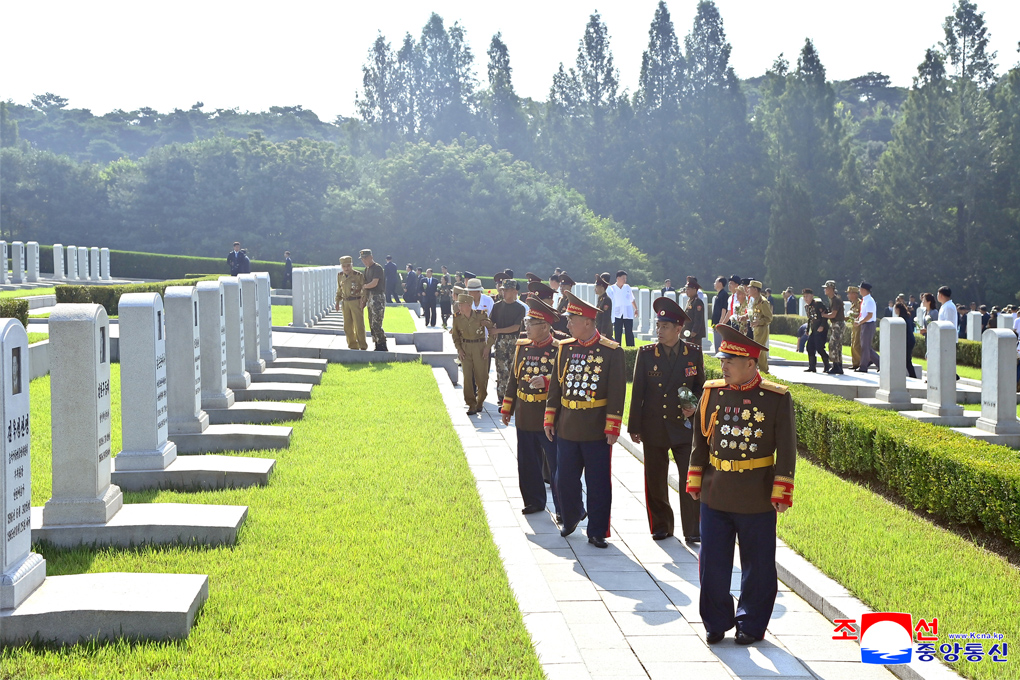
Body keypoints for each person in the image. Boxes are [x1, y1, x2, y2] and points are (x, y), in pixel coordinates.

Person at [686, 323, 796, 646]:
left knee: (758, 565)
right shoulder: (711, 392)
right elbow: (700, 441)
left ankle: (751, 622)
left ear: (751, 363)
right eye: (722, 360)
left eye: (730, 361)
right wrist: (695, 478)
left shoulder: (776, 398)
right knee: (712, 563)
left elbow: (787, 449)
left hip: (756, 494)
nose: (723, 366)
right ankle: (716, 620)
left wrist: (782, 491)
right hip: (716, 491)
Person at [544, 292, 626, 548]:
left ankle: (597, 530)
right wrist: (550, 418)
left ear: (588, 322)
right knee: (564, 478)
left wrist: (613, 426)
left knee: (598, 482)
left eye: (572, 320)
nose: (567, 324)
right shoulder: (565, 348)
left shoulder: (611, 351)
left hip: (595, 427)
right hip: (567, 424)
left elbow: (617, 392)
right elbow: (556, 386)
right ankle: (571, 517)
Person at [628, 297, 704, 542]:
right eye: (658, 326)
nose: (659, 331)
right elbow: (638, 392)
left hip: (684, 426)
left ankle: (693, 529)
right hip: (655, 425)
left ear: (678, 329)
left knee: (690, 478)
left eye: (665, 327)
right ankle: (662, 525)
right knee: (656, 479)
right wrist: (634, 426)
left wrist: (694, 404)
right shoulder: (647, 354)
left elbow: (701, 386)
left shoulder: (693, 353)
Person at [501, 297, 563, 519]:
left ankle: (562, 508)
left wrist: (546, 381)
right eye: (526, 322)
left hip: (548, 416)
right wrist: (507, 408)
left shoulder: (559, 349)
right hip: (525, 413)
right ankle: (533, 501)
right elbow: (514, 378)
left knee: (556, 465)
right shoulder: (522, 346)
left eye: (530, 323)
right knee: (528, 462)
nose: (526, 326)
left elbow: (565, 380)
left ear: (544, 326)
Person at [451, 294, 494, 416]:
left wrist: (488, 347)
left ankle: (480, 400)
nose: (459, 307)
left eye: (461, 305)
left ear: (469, 305)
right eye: (459, 305)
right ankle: (471, 404)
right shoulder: (457, 318)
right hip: (465, 349)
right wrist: (459, 349)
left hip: (480, 348)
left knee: (482, 378)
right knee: (467, 378)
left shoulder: (481, 315)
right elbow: (455, 336)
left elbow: (492, 331)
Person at [490, 278, 526, 404]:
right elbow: (491, 322)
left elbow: (516, 327)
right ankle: (501, 397)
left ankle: (512, 396)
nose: (504, 293)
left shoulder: (520, 308)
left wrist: (497, 330)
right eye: (503, 290)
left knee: (513, 370)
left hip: (514, 341)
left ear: (514, 291)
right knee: (501, 369)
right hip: (500, 342)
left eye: (507, 290)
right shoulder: (497, 306)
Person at [335, 256, 367, 350]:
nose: (346, 268)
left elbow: (364, 289)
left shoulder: (358, 275)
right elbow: (339, 289)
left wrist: (363, 300)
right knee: (347, 326)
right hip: (345, 302)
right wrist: (337, 301)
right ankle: (352, 346)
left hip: (356, 301)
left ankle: (362, 345)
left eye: (348, 266)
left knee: (359, 325)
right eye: (344, 266)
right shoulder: (340, 275)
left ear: (352, 265)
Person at [360, 249, 387, 351]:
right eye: (362, 259)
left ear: (371, 257)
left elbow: (374, 283)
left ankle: (382, 344)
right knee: (371, 322)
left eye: (366, 258)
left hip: (377, 297)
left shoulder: (377, 268)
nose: (364, 261)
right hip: (370, 297)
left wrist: (364, 286)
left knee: (377, 323)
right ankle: (377, 344)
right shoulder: (366, 270)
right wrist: (364, 300)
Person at [747, 280, 773, 373]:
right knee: (759, 351)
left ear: (755, 289)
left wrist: (759, 322)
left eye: (750, 288)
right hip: (756, 329)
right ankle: (762, 370)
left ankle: (764, 371)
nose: (748, 290)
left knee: (758, 351)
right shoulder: (755, 301)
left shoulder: (763, 302)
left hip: (762, 329)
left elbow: (769, 318)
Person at [854, 282, 880, 373]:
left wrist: (860, 322)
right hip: (865, 324)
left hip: (868, 324)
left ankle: (863, 366)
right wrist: (858, 319)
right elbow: (863, 313)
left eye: (860, 289)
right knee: (865, 346)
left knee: (865, 347)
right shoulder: (865, 300)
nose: (859, 290)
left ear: (864, 290)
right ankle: (879, 363)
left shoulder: (869, 301)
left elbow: (869, 315)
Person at [803, 289, 830, 373]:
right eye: (804, 296)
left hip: (821, 329)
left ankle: (827, 365)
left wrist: (822, 326)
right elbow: (810, 319)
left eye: (807, 296)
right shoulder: (807, 307)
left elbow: (825, 315)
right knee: (809, 347)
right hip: (814, 329)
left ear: (812, 296)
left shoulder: (818, 304)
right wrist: (807, 329)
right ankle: (812, 366)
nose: (806, 298)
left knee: (819, 347)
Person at [821, 280, 845, 375]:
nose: (825, 290)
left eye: (826, 288)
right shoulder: (833, 300)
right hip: (836, 324)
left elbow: (833, 314)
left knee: (833, 345)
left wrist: (824, 315)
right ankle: (838, 365)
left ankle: (836, 366)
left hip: (837, 324)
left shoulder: (835, 300)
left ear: (831, 289)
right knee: (837, 345)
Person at [609, 270, 637, 347]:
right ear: (618, 278)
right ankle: (618, 348)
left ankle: (631, 348)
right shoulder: (612, 288)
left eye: (625, 278)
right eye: (623, 278)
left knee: (629, 331)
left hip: (627, 312)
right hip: (617, 313)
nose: (625, 280)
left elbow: (632, 299)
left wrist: (636, 309)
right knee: (618, 332)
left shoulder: (627, 287)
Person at [895, 302, 918, 379]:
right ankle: (911, 375)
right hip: (910, 340)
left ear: (898, 309)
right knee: (907, 359)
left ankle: (913, 375)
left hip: (907, 341)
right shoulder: (907, 317)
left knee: (907, 360)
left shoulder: (902, 319)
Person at [682, 276, 706, 347]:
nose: (686, 291)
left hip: (694, 335)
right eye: (686, 289)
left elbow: (698, 318)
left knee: (694, 351)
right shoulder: (690, 301)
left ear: (694, 289)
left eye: (688, 289)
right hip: (688, 332)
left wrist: (694, 331)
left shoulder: (697, 302)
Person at [712, 277, 729, 353]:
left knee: (719, 343)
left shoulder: (724, 295)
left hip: (719, 322)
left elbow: (724, 308)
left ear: (720, 283)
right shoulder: (719, 294)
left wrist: (721, 322)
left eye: (716, 282)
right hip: (716, 322)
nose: (714, 284)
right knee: (716, 342)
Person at [594, 273, 613, 339]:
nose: (595, 289)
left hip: (604, 332)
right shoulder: (600, 299)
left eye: (597, 287)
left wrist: (603, 332)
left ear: (602, 288)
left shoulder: (606, 300)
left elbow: (606, 317)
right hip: (599, 328)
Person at [847, 286, 862, 370]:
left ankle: (861, 363)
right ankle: (855, 363)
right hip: (854, 326)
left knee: (857, 345)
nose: (848, 295)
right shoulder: (853, 304)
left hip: (859, 326)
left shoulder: (860, 303)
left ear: (855, 294)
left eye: (849, 293)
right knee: (853, 344)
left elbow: (861, 314)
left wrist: (854, 315)